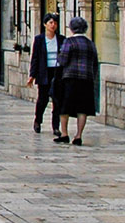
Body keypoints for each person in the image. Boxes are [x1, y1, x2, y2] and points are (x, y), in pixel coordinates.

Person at [56, 15, 100, 146]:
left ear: (72, 29)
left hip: (70, 78)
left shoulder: (69, 42)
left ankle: (64, 134)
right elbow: (95, 63)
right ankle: (78, 135)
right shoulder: (90, 44)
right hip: (86, 80)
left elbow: (62, 60)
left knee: (65, 107)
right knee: (83, 108)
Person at [26, 14, 64, 136]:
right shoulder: (39, 40)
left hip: (57, 72)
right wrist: (32, 75)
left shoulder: (62, 39)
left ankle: (56, 127)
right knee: (42, 99)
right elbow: (35, 58)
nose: (53, 25)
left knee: (57, 101)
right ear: (45, 24)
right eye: (51, 22)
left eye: (55, 23)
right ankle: (38, 121)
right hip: (44, 71)